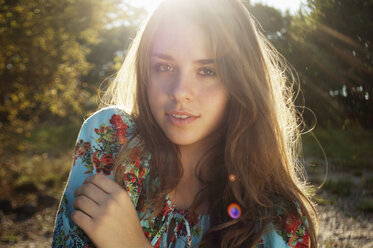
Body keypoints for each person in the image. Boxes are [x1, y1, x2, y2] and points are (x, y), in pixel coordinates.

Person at [52, 0, 318, 247]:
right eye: (164, 67)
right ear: (145, 72)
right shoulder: (112, 140)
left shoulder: (280, 221)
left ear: (241, 83)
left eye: (207, 71)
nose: (180, 91)